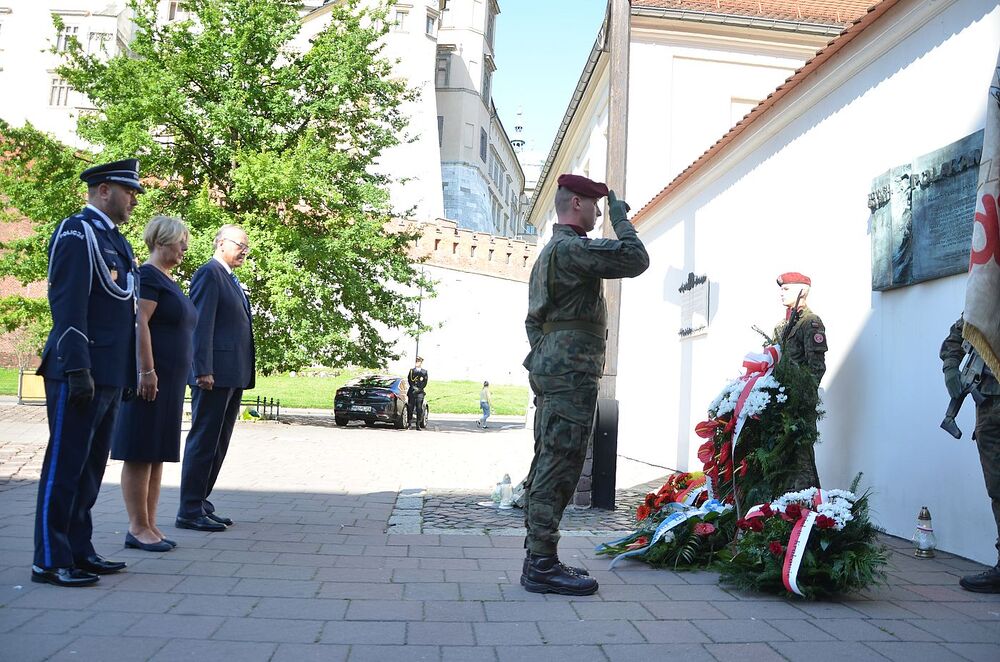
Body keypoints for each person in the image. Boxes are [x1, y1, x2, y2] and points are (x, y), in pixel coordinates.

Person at [520, 173, 649, 595]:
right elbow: (635, 258)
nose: (598, 212)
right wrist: (620, 217)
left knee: (551, 460)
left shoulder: (550, 253)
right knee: (559, 464)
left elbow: (533, 323)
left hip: (560, 371)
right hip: (569, 375)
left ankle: (542, 559)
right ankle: (540, 564)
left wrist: (548, 355)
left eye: (602, 206)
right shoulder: (572, 249)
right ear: (577, 203)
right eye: (595, 205)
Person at [32, 159, 144, 587]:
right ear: (102, 190)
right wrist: (78, 365)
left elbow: (125, 312)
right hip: (80, 370)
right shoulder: (76, 231)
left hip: (109, 372)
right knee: (65, 467)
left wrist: (128, 372)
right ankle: (49, 558)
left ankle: (79, 549)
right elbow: (68, 303)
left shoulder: (116, 241)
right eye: (127, 189)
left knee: (91, 469)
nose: (133, 198)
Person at [111, 216, 196, 552]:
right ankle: (137, 527)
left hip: (170, 382)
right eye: (181, 242)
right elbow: (139, 322)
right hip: (151, 379)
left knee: (157, 451)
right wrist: (146, 371)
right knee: (140, 450)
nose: (185, 248)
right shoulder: (147, 276)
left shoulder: (168, 279)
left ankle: (150, 523)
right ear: (161, 242)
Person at [176, 225, 255, 532]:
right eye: (240, 245)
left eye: (247, 246)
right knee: (204, 439)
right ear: (222, 243)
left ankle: (201, 501)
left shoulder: (230, 278)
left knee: (219, 441)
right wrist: (202, 368)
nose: (245, 251)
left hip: (232, 373)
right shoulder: (209, 273)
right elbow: (201, 323)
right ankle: (189, 508)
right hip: (213, 374)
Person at [941, 316, 1000, 593]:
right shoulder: (986, 297)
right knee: (997, 487)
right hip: (990, 405)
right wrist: (951, 368)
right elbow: (955, 337)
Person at [773, 272, 827, 490]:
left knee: (802, 460)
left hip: (799, 404)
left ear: (802, 291)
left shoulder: (811, 323)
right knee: (782, 460)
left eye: (786, 289)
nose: (781, 293)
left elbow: (816, 367)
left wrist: (800, 398)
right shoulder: (781, 327)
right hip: (781, 403)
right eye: (781, 289)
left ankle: (807, 510)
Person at [407, 357, 428, 429]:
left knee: (419, 408)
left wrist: (419, 389)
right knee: (410, 407)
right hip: (412, 391)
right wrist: (413, 388)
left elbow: (425, 382)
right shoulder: (412, 371)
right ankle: (409, 423)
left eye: (418, 361)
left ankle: (418, 424)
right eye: (416, 361)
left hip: (420, 392)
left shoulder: (424, 372)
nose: (417, 363)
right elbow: (409, 380)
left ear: (421, 363)